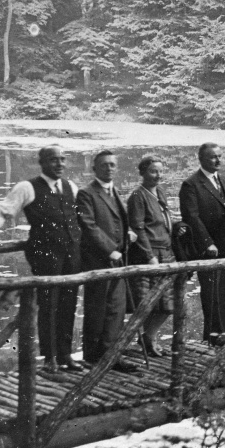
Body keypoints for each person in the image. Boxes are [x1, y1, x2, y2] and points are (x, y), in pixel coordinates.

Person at [0, 145, 83, 372]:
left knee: (68, 303)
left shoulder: (71, 186)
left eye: (62, 159)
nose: (59, 164)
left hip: (71, 253)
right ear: (41, 163)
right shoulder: (27, 187)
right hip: (44, 253)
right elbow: (4, 211)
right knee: (48, 304)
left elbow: (81, 218)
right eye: (53, 160)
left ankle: (65, 355)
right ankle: (50, 359)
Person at [77, 150, 139, 372]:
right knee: (97, 308)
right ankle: (93, 357)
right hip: (99, 261)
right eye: (104, 165)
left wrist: (128, 233)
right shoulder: (86, 194)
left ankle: (111, 355)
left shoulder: (115, 191)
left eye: (113, 165)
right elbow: (89, 225)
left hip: (118, 259)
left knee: (116, 308)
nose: (109, 168)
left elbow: (118, 220)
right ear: (95, 168)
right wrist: (110, 249)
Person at [127, 155, 184, 357]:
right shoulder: (137, 196)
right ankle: (143, 341)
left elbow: (163, 219)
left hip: (167, 252)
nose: (158, 175)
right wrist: (149, 255)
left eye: (160, 171)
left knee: (168, 305)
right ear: (142, 173)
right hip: (149, 254)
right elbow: (138, 228)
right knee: (147, 303)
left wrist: (176, 226)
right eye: (153, 171)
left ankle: (148, 338)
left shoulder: (160, 191)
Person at [179, 143, 225, 342]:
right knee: (211, 291)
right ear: (201, 159)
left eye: (220, 156)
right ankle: (212, 333)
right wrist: (207, 243)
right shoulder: (191, 184)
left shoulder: (224, 179)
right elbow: (192, 217)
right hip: (208, 248)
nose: (218, 160)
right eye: (213, 157)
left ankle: (222, 330)